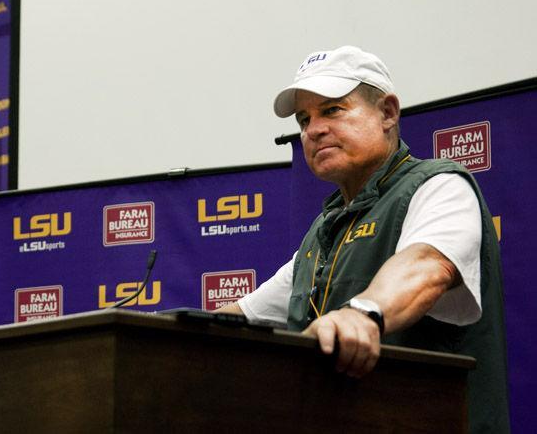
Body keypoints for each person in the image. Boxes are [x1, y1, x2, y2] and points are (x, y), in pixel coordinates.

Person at [217, 46, 509, 433]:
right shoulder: (324, 230)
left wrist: (361, 315)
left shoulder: (439, 186)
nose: (313, 129)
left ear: (387, 112)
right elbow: (243, 315)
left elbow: (426, 266)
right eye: (305, 119)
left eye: (333, 109)